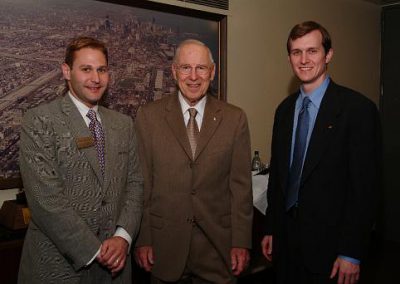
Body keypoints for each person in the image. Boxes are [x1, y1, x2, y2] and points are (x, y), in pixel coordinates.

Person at [261, 21, 380, 284]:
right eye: (296, 52)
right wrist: (271, 228)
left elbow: (365, 190)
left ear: (328, 55)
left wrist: (351, 252)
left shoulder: (357, 110)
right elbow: (278, 176)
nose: (304, 60)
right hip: (286, 244)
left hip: (332, 251)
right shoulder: (284, 110)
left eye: (312, 51)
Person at [18, 36, 143, 283]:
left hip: (116, 268)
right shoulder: (39, 121)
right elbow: (46, 200)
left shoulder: (124, 124)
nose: (95, 79)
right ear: (67, 71)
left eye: (102, 70)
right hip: (58, 268)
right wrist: (96, 251)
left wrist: (123, 237)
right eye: (86, 69)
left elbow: (135, 185)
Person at [134, 39, 253, 283]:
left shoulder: (235, 119)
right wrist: (143, 238)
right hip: (163, 249)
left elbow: (241, 189)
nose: (194, 76)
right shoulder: (148, 118)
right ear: (174, 72)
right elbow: (141, 185)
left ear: (213, 72)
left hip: (218, 251)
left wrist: (241, 242)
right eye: (186, 68)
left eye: (201, 68)